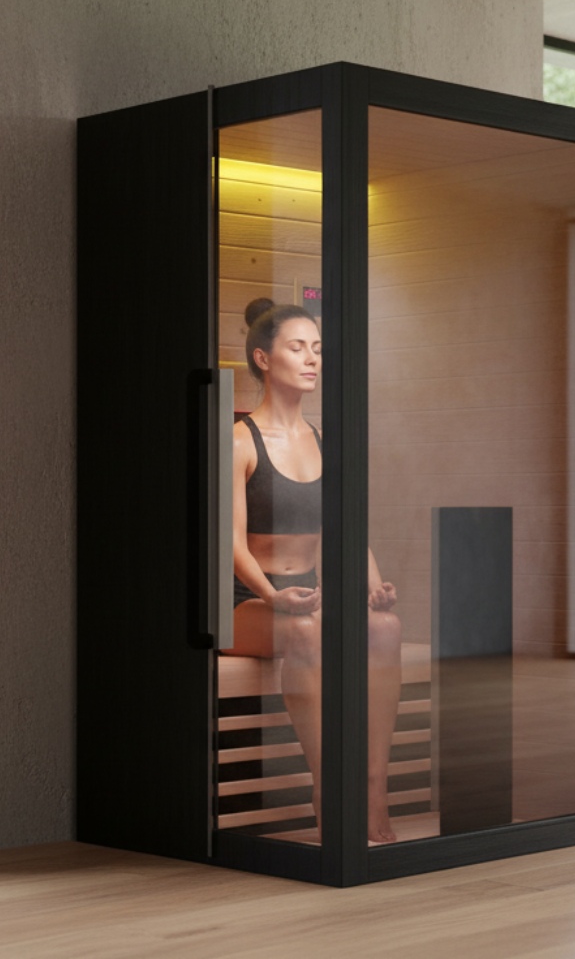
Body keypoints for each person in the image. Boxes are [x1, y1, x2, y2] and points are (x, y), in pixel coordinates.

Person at [222, 297, 403, 845]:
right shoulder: (239, 440)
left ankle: (373, 789)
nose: (312, 360)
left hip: (310, 591)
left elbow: (347, 533)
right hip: (246, 597)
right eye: (297, 348)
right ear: (261, 358)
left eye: (318, 349)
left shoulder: (326, 441)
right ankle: (329, 788)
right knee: (305, 630)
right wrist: (274, 598)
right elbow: (229, 545)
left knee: (385, 628)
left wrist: (371, 583)